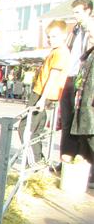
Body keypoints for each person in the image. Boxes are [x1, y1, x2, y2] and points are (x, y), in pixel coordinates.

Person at [18, 20, 70, 165]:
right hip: (43, 93)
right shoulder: (56, 51)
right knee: (35, 129)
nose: (50, 40)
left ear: (64, 36)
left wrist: (42, 99)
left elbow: (53, 77)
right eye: (48, 37)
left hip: (42, 93)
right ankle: (37, 160)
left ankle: (33, 162)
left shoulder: (60, 53)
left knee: (25, 129)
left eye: (54, 36)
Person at [60, 0, 93, 162]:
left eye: (78, 12)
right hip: (70, 76)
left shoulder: (90, 28)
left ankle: (83, 158)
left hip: (84, 79)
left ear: (89, 11)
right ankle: (67, 157)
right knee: (67, 119)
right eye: (74, 12)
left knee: (81, 121)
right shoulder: (76, 30)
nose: (75, 16)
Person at [70, 12, 94, 184]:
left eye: (92, 33)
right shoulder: (89, 54)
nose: (90, 36)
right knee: (86, 140)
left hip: (90, 107)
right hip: (85, 105)